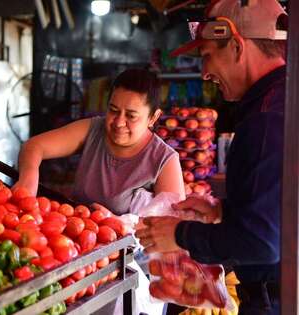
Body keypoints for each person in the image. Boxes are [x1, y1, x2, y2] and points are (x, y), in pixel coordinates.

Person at [136, 0, 287, 314]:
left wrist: (180, 235)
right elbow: (282, 210)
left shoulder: (266, 119)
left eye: (207, 56)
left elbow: (262, 242)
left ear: (236, 46)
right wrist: (223, 211)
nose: (204, 72)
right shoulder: (282, 101)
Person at [15, 68, 185, 315]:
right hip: (78, 262)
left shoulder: (164, 160)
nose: (118, 122)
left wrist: (121, 225)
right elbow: (34, 146)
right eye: (113, 110)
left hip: (131, 279)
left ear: (153, 117)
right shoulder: (93, 131)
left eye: (131, 116)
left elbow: (172, 229)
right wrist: (29, 179)